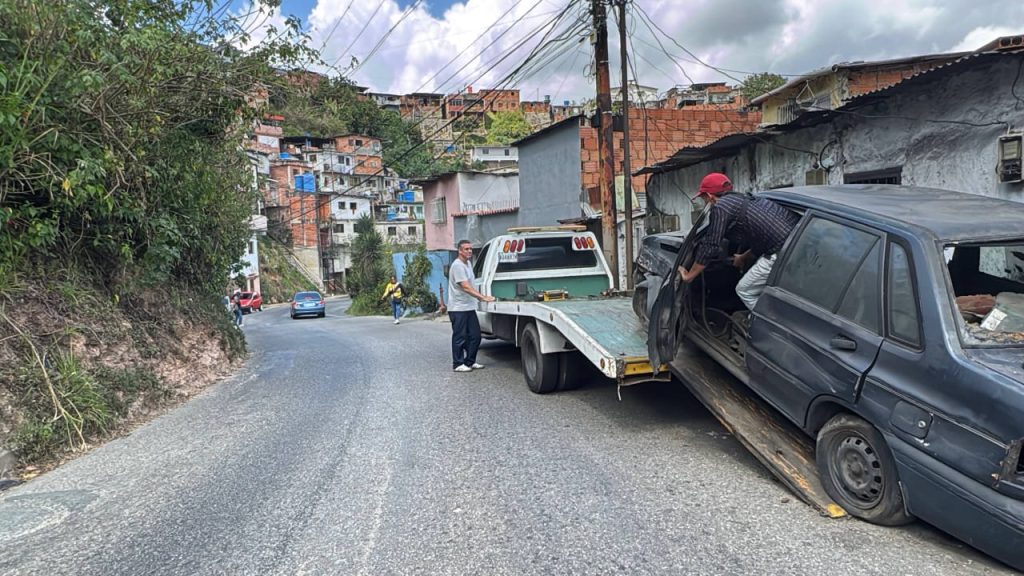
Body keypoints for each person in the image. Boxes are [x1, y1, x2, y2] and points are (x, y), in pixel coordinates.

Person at [678, 172, 799, 311]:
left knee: (744, 290)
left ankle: (770, 325)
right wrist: (743, 257)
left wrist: (689, 275)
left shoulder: (720, 207)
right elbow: (763, 237)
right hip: (797, 244)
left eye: (703, 198)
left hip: (781, 253)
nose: (705, 202)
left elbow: (711, 245)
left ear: (710, 196)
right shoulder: (744, 199)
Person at [447, 239, 495, 372]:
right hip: (458, 308)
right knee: (460, 337)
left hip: (469, 307)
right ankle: (458, 364)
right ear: (460, 251)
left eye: (470, 249)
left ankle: (470, 361)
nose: (469, 251)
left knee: (475, 336)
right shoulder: (457, 266)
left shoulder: (467, 263)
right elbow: (466, 287)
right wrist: (483, 297)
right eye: (466, 249)